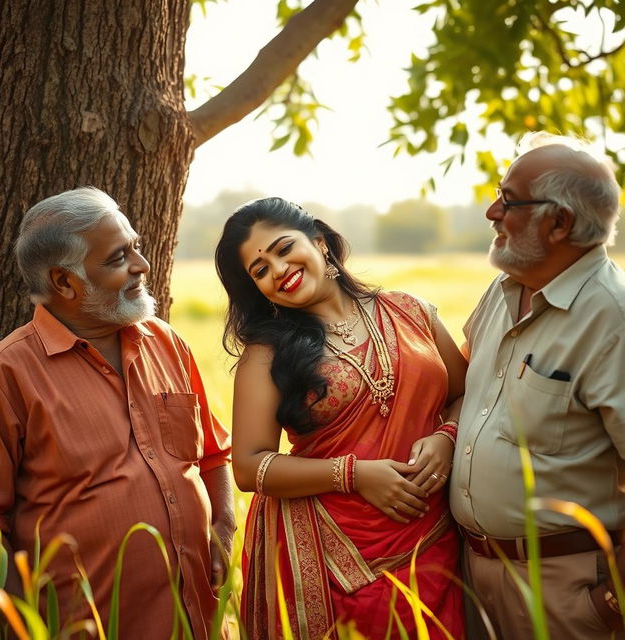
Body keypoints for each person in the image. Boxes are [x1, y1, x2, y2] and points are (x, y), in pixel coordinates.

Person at [0, 187, 234, 639]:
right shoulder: (4, 375)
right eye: (120, 257)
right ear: (64, 282)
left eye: (135, 247)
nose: (142, 265)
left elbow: (214, 453)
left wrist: (224, 530)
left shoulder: (166, 342)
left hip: (196, 616)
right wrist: (27, 626)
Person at [214, 197, 468, 639]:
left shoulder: (410, 311)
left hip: (435, 535)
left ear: (320, 242)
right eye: (259, 271)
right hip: (329, 556)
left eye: (283, 248)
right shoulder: (267, 354)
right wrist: (354, 475)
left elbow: (466, 394)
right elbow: (249, 467)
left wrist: (447, 435)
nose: (277, 269)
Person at [450, 132, 625, 640]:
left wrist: (609, 602)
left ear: (559, 223)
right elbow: (466, 389)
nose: (491, 211)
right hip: (473, 575)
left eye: (508, 200)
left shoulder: (611, 319)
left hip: (565, 593)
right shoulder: (504, 289)